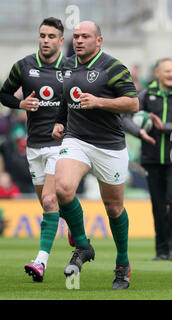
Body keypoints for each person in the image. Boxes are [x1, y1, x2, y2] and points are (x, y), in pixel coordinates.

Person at [52, 21, 139, 290]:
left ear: (98, 40)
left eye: (85, 36)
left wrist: (100, 101)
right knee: (63, 189)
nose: (79, 40)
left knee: (113, 207)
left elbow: (133, 102)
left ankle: (123, 263)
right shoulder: (66, 65)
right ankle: (83, 245)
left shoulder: (113, 67)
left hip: (109, 145)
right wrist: (59, 121)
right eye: (76, 36)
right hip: (76, 138)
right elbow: (67, 99)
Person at [0, 17, 66, 282]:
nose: (46, 40)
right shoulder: (24, 66)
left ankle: (41, 261)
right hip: (34, 146)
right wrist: (20, 104)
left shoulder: (71, 69)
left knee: (50, 201)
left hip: (61, 145)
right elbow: (3, 94)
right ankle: (76, 228)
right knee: (48, 204)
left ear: (61, 41)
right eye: (42, 35)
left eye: (51, 36)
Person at [123, 57, 172, 261]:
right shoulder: (146, 95)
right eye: (166, 71)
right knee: (158, 205)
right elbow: (124, 116)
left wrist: (165, 128)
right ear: (157, 74)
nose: (171, 74)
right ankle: (161, 250)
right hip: (151, 158)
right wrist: (138, 131)